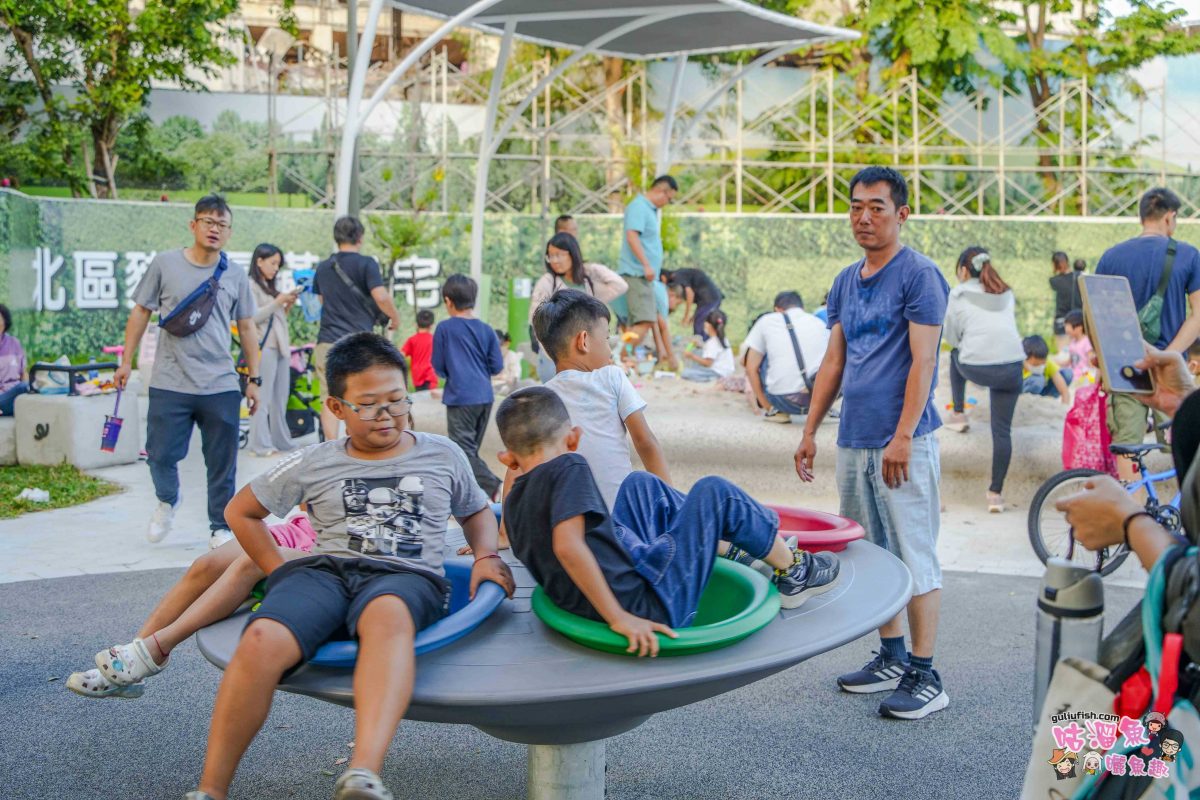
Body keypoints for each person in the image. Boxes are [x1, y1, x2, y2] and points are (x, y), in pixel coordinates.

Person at [187, 332, 514, 800]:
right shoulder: (315, 460)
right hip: (326, 572)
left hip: (406, 577)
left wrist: (485, 555)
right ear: (337, 408)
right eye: (369, 405)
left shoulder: (441, 453)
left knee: (387, 617)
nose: (387, 415)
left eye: (397, 400)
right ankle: (210, 790)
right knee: (261, 637)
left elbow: (477, 510)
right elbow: (242, 511)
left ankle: (362, 773)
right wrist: (278, 570)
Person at [495, 387, 841, 656]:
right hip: (652, 605)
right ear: (573, 438)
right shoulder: (569, 466)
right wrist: (620, 618)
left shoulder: (512, 506)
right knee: (714, 492)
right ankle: (794, 571)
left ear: (508, 459)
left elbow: (562, 552)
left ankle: (736, 546)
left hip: (626, 577)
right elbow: (567, 547)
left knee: (638, 484)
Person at [794, 166, 951, 720]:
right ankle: (890, 656)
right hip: (855, 438)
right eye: (856, 206)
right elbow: (834, 360)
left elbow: (925, 361)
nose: (864, 217)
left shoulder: (920, 275)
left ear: (901, 213)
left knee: (914, 554)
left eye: (877, 207)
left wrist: (904, 434)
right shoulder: (844, 280)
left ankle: (926, 674)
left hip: (901, 440)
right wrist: (811, 429)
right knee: (872, 553)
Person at [114, 194, 261, 550]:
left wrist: (253, 379)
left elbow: (247, 326)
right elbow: (140, 312)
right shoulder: (165, 264)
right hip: (170, 381)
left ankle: (219, 526)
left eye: (221, 224)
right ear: (193, 225)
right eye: (207, 222)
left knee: (222, 462)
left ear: (229, 232)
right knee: (161, 454)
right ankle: (167, 499)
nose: (214, 229)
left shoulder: (235, 274)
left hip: (220, 383)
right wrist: (126, 360)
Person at [66, 514, 317, 699]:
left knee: (250, 562)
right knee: (205, 565)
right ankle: (132, 661)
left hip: (336, 546)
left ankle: (153, 650)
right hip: (307, 528)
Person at [531, 289, 671, 513]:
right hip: (621, 521)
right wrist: (671, 502)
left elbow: (519, 468)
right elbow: (645, 442)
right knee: (712, 494)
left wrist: (503, 533)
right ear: (584, 341)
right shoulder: (611, 377)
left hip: (568, 526)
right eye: (606, 338)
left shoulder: (541, 398)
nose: (610, 349)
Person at [1097, 187, 1200, 482]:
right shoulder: (1189, 255)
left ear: (1143, 216)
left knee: (1129, 451)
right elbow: (1198, 314)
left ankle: (1135, 518)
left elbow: (1099, 318)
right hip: (1171, 373)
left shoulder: (1111, 257)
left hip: (1126, 369)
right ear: (1170, 217)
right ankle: (1180, 519)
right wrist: (1168, 355)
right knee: (1184, 448)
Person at [942, 246, 1025, 513]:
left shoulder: (958, 293)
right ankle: (995, 495)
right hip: (1013, 367)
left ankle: (958, 414)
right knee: (1002, 432)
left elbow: (951, 337)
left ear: (964, 270)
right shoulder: (1006, 292)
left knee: (955, 353)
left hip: (976, 367)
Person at [313, 216, 403, 440]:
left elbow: (322, 300)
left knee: (329, 396)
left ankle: (332, 448)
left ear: (336, 238)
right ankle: (362, 442)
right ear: (360, 238)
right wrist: (395, 317)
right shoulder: (367, 264)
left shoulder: (323, 267)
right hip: (359, 345)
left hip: (327, 340)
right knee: (365, 396)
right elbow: (380, 296)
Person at [433, 274, 504, 499]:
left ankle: (496, 488)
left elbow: (439, 366)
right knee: (470, 451)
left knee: (462, 452)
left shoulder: (445, 328)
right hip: (485, 396)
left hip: (460, 396)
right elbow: (496, 366)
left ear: (448, 301)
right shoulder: (486, 329)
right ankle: (470, 496)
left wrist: (451, 373)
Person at [530, 231, 628, 382]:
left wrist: (589, 268)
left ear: (573, 254)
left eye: (559, 255)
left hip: (584, 355)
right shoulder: (548, 281)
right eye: (550, 256)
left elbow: (620, 285)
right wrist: (553, 355)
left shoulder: (589, 282)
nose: (554, 260)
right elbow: (536, 319)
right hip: (555, 357)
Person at [616, 176, 678, 368]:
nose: (667, 204)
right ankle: (614, 357)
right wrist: (646, 265)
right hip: (637, 274)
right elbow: (631, 235)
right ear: (663, 191)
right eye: (669, 199)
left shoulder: (646, 209)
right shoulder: (639, 207)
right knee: (644, 321)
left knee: (643, 322)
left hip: (645, 277)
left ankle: (623, 358)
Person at [246, 244, 301, 457]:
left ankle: (282, 441)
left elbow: (276, 319)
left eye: (278, 264)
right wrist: (278, 302)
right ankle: (260, 444)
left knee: (280, 398)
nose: (276, 268)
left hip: (280, 347)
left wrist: (285, 305)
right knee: (263, 397)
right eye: (273, 263)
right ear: (259, 261)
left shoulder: (269, 288)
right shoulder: (251, 286)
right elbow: (250, 318)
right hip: (264, 347)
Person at [744, 291, 830, 423]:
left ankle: (776, 412)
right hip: (825, 398)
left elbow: (751, 367)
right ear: (802, 308)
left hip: (783, 400)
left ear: (777, 309)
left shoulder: (767, 321)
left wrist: (768, 407)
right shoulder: (819, 323)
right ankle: (826, 410)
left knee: (762, 353)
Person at [662, 267, 723, 337]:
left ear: (663, 277)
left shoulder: (677, 276)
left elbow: (690, 293)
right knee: (702, 325)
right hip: (710, 298)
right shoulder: (681, 278)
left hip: (710, 298)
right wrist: (695, 315)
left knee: (699, 327)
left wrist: (686, 316)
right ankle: (706, 343)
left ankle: (703, 345)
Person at [681, 309, 734, 383]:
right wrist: (701, 346)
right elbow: (714, 351)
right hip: (726, 372)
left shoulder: (712, 343)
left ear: (708, 325)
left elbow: (707, 363)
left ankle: (711, 379)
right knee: (699, 354)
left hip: (717, 373)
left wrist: (691, 356)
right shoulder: (723, 339)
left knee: (685, 373)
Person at [1021, 335, 1072, 403]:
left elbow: (1064, 391)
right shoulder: (1016, 366)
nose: (1040, 366)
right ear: (1025, 359)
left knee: (1067, 374)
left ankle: (1046, 400)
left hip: (1041, 392)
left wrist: (1065, 408)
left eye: (1043, 363)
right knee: (1037, 381)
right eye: (1036, 364)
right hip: (1022, 393)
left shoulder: (1047, 363)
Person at [0, 304, 29, 415]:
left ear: (5, 321)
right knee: (23, 387)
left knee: (28, 386)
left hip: (16, 393)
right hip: (2, 397)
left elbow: (23, 373)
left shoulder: (14, 342)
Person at [1050, 250, 1081, 353]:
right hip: (1078, 321)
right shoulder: (1078, 278)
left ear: (1054, 264)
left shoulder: (1054, 281)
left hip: (1061, 321)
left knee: (1064, 354)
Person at [402, 309, 438, 391]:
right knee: (430, 401)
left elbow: (401, 354)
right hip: (431, 376)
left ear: (416, 325)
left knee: (421, 400)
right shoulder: (434, 340)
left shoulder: (412, 340)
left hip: (417, 376)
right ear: (431, 325)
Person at [1063, 309, 1096, 386]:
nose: (1066, 330)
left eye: (1068, 326)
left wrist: (1088, 372)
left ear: (1079, 327)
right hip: (1073, 373)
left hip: (1083, 374)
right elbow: (1069, 361)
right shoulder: (1072, 342)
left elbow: (1091, 360)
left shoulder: (1086, 341)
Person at [492, 329, 529, 395]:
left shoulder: (512, 356)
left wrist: (506, 378)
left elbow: (514, 377)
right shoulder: (493, 357)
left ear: (506, 344)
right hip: (495, 386)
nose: (497, 351)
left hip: (509, 388)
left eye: (499, 347)